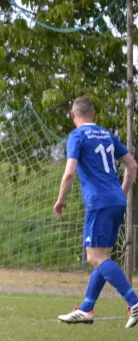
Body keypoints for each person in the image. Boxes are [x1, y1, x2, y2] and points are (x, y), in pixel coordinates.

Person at [55, 96, 137, 328]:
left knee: (94, 257)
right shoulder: (108, 135)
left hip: (99, 202)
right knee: (103, 258)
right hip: (116, 200)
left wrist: (61, 200)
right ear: (94, 114)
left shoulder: (77, 136)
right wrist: (122, 193)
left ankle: (134, 301)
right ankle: (86, 308)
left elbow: (70, 172)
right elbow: (132, 166)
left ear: (73, 115)